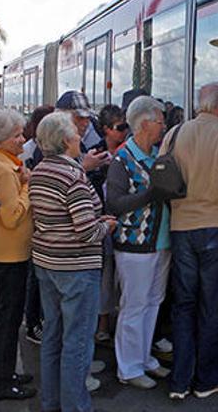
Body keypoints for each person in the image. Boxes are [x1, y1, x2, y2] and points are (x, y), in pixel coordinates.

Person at [162, 83, 218, 400]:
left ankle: (179, 382)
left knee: (183, 305)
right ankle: (206, 380)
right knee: (214, 308)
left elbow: (162, 179)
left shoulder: (174, 134)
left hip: (181, 227)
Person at [29, 112, 116, 412]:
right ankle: (75, 406)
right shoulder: (74, 177)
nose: (81, 137)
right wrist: (107, 225)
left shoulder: (39, 171)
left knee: (53, 335)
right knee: (77, 343)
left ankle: (51, 402)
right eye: (77, 135)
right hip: (76, 268)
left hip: (46, 262)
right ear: (67, 141)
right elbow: (87, 231)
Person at [105, 96, 172, 389]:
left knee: (152, 303)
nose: (164, 126)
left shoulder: (157, 153)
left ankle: (143, 358)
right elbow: (115, 203)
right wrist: (151, 195)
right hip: (135, 245)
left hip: (159, 242)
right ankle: (129, 368)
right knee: (134, 305)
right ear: (145, 124)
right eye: (160, 121)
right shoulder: (122, 160)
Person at [0, 108, 37, 401]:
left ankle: (4, 373)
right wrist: (27, 186)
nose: (23, 140)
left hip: (1, 250)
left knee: (6, 317)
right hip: (10, 253)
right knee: (7, 319)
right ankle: (0, 381)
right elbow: (12, 216)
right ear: (0, 139)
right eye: (17, 135)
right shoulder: (3, 169)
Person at [93, 104, 128, 344]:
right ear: (106, 130)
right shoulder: (94, 155)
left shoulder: (130, 152)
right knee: (105, 275)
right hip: (103, 222)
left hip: (124, 221)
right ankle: (103, 322)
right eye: (120, 127)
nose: (125, 131)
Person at [21, 105, 55, 344]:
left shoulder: (31, 150)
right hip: (34, 224)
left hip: (37, 224)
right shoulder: (30, 152)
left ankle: (35, 321)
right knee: (34, 278)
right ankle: (33, 323)